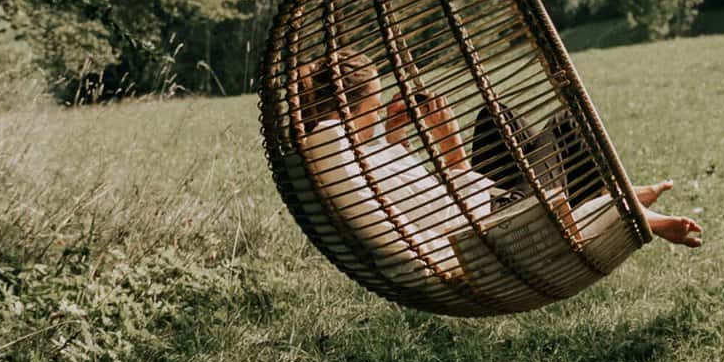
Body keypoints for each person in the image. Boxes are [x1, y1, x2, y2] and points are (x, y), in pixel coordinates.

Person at [292, 50, 699, 281]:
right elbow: (443, 211)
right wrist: (451, 150)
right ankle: (625, 208)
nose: (380, 109)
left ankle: (606, 198)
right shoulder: (331, 142)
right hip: (496, 224)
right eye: (374, 103)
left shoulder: (356, 154)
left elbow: (405, 191)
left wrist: (396, 137)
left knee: (494, 116)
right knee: (563, 124)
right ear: (345, 110)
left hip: (487, 202)